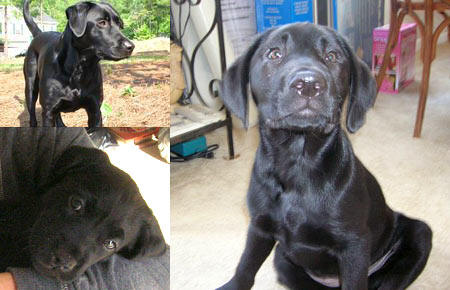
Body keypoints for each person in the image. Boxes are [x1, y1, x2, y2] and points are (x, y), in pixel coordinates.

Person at [0, 128, 169, 290]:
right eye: (76, 206)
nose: (66, 258)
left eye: (110, 243)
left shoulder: (49, 132)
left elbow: (162, 270)